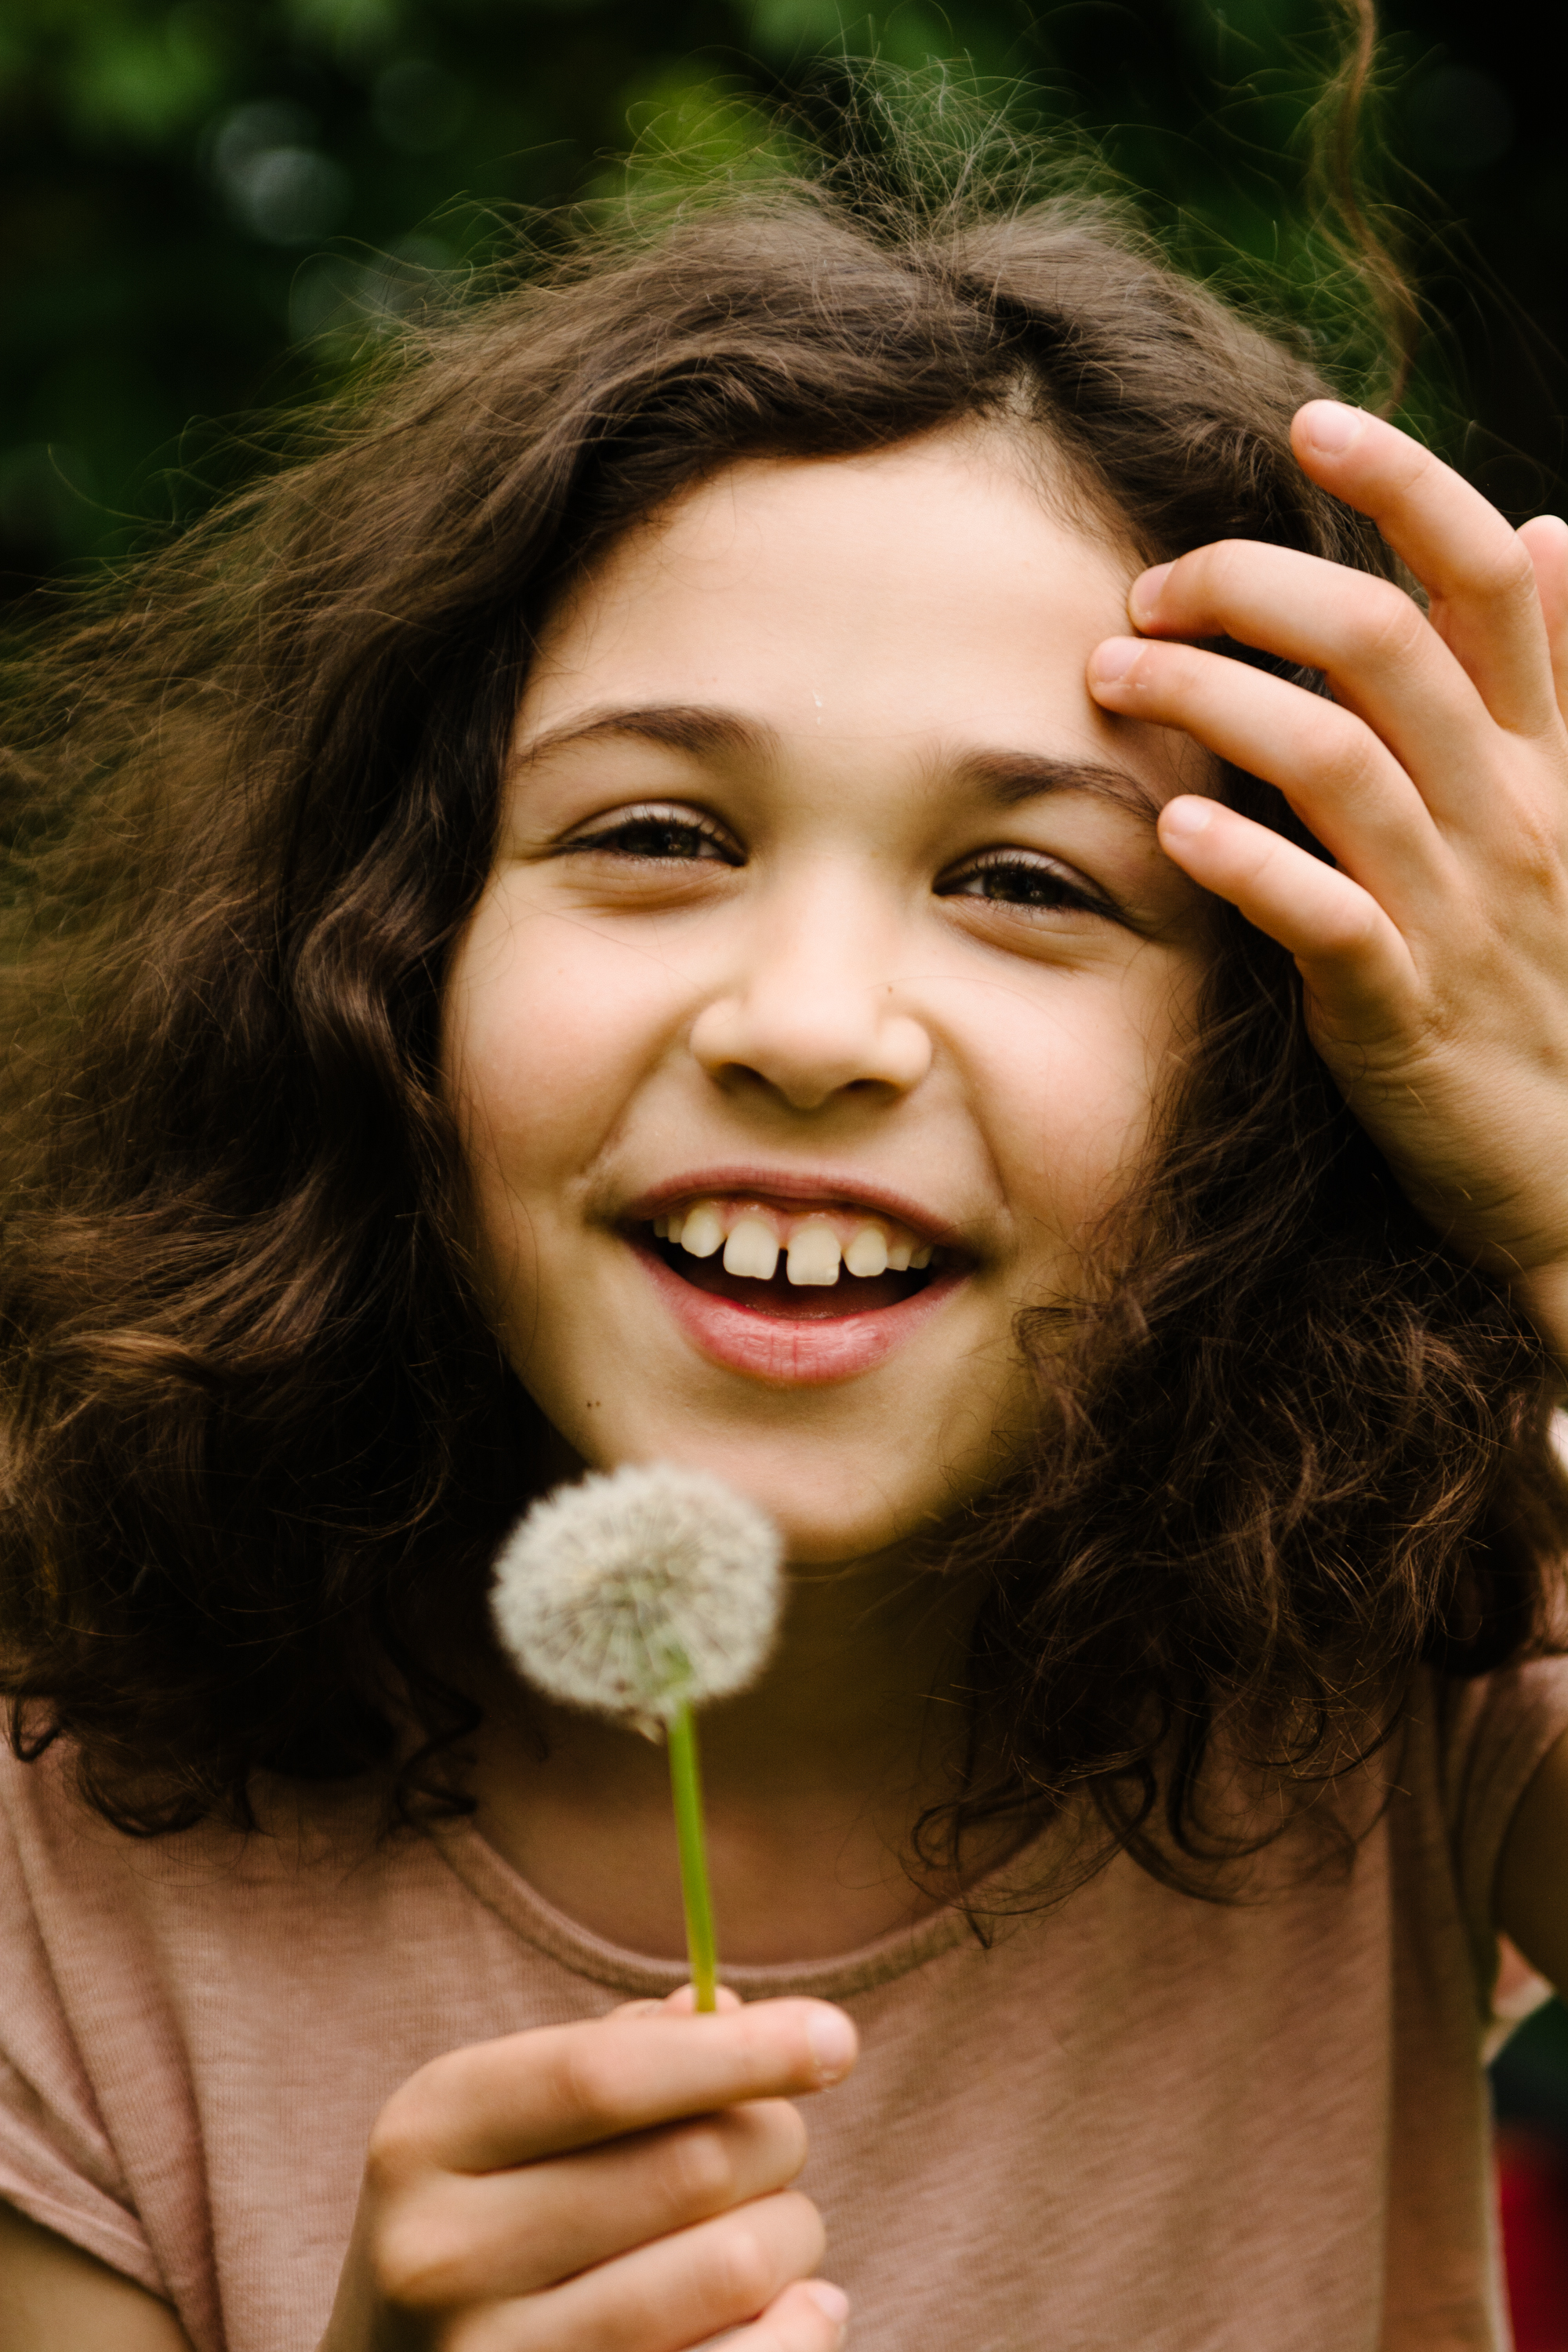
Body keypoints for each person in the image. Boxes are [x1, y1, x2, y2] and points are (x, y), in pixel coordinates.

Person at [3, 61, 1568, 2352]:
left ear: (1280, 1064)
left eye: (1029, 881)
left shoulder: (1432, 1644)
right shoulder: (59, 1852)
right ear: (390, 957)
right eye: (655, 835)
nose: (815, 1024)